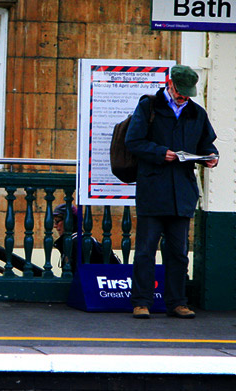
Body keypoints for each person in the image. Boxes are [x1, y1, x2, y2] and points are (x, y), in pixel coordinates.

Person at [124, 64, 218, 320]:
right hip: (153, 190)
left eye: (188, 92)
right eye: (180, 91)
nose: (184, 96)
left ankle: (177, 302)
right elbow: (132, 142)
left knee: (178, 252)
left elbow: (207, 144)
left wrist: (211, 158)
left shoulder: (197, 113)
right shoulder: (148, 107)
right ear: (170, 83)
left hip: (182, 193)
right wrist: (158, 153)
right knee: (145, 250)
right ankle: (141, 302)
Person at [53, 203, 120, 269]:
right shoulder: (76, 240)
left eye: (57, 221)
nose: (55, 226)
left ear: (70, 221)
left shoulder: (77, 242)